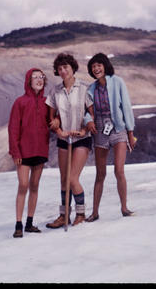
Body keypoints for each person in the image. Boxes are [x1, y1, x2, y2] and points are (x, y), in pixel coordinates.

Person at [85, 53, 136, 222]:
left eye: (99, 65)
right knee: (100, 173)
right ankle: (95, 212)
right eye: (93, 67)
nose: (96, 69)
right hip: (100, 129)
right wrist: (88, 121)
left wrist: (130, 133)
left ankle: (124, 208)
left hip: (118, 128)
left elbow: (126, 107)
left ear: (105, 66)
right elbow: (86, 112)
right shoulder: (90, 89)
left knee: (119, 170)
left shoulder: (118, 82)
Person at [45, 53, 94, 228]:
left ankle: (80, 213)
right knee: (64, 178)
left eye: (66, 67)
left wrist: (83, 129)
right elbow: (50, 118)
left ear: (72, 68)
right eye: (60, 68)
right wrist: (58, 131)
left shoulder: (84, 89)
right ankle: (63, 216)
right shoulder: (55, 91)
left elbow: (91, 114)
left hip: (81, 138)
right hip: (64, 139)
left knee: (73, 178)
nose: (63, 71)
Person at [8, 68, 49, 237]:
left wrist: (55, 121)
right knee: (23, 185)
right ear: (28, 81)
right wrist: (15, 152)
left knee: (34, 186)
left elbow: (53, 121)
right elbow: (13, 128)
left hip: (40, 149)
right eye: (35, 77)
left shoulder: (48, 102)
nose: (39, 80)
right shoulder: (20, 102)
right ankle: (18, 224)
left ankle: (29, 223)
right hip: (24, 152)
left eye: (41, 77)